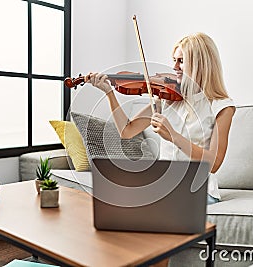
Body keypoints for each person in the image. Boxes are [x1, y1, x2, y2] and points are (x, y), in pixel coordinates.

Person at [88, 32, 235, 205]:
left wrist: (173, 136)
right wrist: (109, 93)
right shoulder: (167, 98)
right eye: (174, 60)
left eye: (181, 61)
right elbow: (126, 131)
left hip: (199, 189)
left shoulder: (222, 107)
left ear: (200, 65)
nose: (174, 66)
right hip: (162, 185)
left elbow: (214, 163)